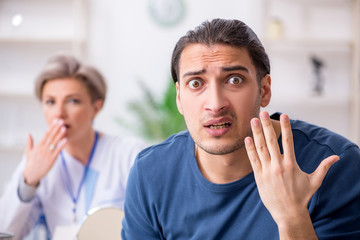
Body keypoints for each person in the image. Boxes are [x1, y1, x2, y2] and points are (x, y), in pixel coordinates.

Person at [121, 19, 360, 239]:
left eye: (234, 79)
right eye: (196, 83)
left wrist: (292, 216)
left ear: (264, 90)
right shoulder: (150, 173)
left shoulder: (332, 164)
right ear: (179, 99)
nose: (215, 104)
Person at [0, 54, 147, 239]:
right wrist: (29, 182)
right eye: (50, 102)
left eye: (72, 101)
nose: (59, 114)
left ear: (96, 107)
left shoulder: (129, 154)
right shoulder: (36, 161)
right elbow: (7, 231)